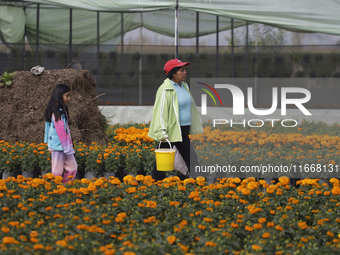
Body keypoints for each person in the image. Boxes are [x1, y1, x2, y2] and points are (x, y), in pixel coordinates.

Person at [148, 59, 203, 181]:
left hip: (183, 131)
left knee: (193, 160)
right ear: (173, 73)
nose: (185, 72)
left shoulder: (184, 86)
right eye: (181, 70)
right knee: (161, 165)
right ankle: (154, 188)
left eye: (185, 70)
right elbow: (160, 112)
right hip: (169, 132)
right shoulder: (165, 89)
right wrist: (161, 132)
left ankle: (200, 187)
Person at [44, 84, 77, 184]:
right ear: (59, 95)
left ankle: (64, 187)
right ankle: (55, 191)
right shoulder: (57, 112)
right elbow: (61, 132)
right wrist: (68, 148)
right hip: (58, 147)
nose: (69, 98)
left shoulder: (61, 110)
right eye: (67, 95)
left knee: (73, 167)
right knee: (57, 172)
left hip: (64, 147)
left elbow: (48, 126)